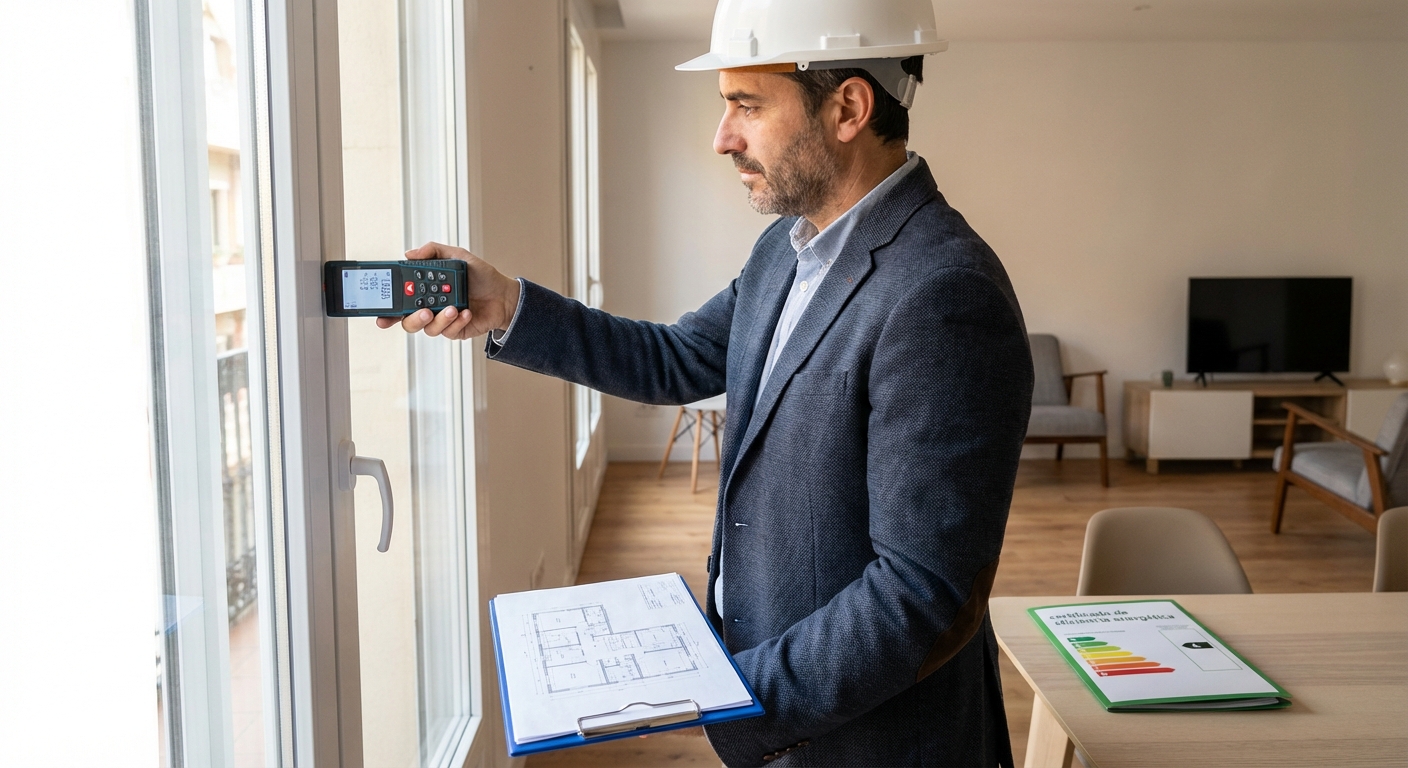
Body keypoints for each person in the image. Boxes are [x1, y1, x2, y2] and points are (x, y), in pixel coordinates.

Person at [381, 2, 1033, 764]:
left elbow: (922, 595)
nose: (721, 137)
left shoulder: (944, 295)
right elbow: (675, 357)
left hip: (873, 740)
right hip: (791, 716)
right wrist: (506, 303)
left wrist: (727, 693)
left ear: (849, 107)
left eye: (746, 106)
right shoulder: (786, 253)